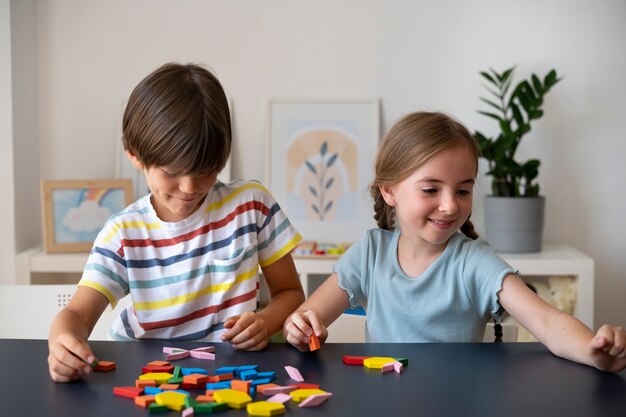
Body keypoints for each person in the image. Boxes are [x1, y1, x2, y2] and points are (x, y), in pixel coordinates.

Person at [283, 111, 626, 372]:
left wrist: (593, 350)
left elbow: (549, 323)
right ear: (389, 191)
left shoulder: (474, 261)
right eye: (431, 189)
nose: (450, 205)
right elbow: (308, 315)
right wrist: (299, 326)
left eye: (463, 190)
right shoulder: (370, 252)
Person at [48, 63, 305, 382]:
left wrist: (266, 322)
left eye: (205, 171)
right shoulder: (124, 233)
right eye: (171, 174)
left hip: (231, 374)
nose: (190, 188)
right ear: (135, 157)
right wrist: (62, 344)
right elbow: (76, 315)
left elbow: (291, 292)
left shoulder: (252, 205)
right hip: (147, 374)